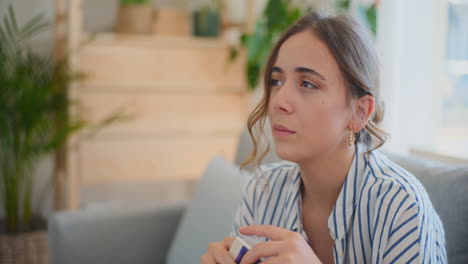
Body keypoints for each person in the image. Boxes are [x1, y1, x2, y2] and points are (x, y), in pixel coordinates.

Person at [200, 12, 446, 264]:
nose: (278, 102)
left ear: (359, 112)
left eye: (307, 84)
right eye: (276, 81)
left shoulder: (401, 206)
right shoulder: (263, 189)